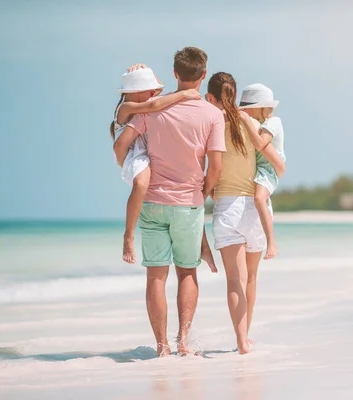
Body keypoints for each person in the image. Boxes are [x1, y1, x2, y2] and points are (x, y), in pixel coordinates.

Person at [114, 47, 225, 357]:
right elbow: (215, 167)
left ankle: (162, 347)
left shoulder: (151, 111)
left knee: (156, 276)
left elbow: (122, 143)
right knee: (187, 272)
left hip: (152, 203)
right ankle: (183, 343)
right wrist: (200, 196)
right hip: (188, 204)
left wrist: (129, 168)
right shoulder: (213, 115)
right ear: (203, 75)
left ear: (175, 74)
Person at [206, 72, 285, 354]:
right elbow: (278, 166)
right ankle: (246, 339)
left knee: (233, 280)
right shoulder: (254, 124)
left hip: (226, 206)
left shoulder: (211, 123)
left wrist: (206, 191)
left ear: (211, 96)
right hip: (253, 205)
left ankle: (240, 340)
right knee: (250, 278)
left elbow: (209, 168)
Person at [110, 67, 207, 265]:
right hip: (133, 157)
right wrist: (183, 94)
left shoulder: (144, 102)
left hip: (144, 152)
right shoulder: (126, 107)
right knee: (142, 184)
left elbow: (158, 94)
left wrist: (143, 69)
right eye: (150, 90)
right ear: (137, 92)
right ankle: (128, 236)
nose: (155, 93)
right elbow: (157, 104)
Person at [239, 84, 286, 260]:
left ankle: (272, 242)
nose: (247, 113)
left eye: (248, 110)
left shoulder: (273, 122)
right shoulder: (261, 123)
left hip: (268, 169)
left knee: (259, 198)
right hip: (259, 168)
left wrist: (244, 120)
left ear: (260, 108)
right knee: (258, 199)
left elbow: (261, 143)